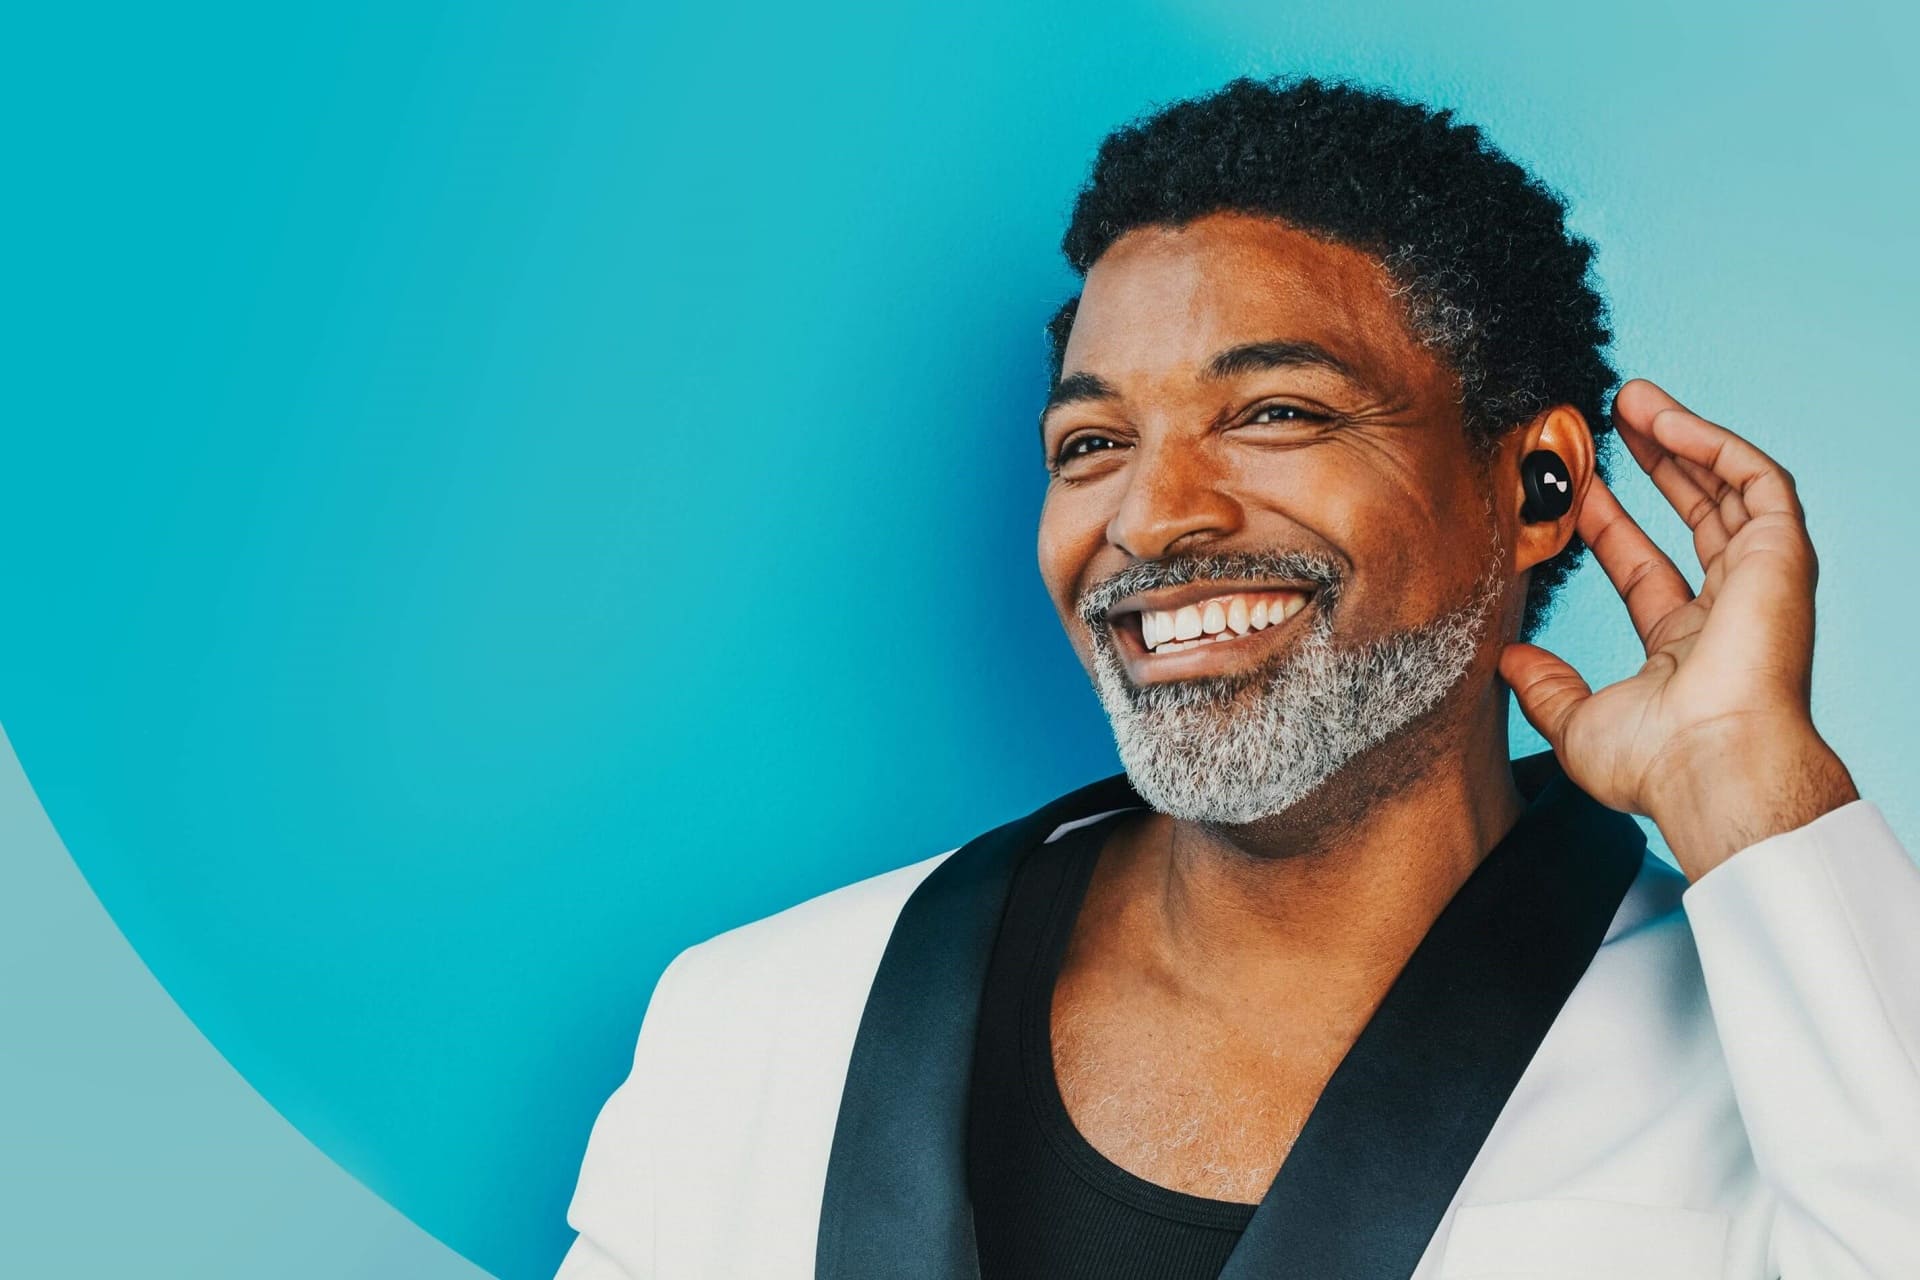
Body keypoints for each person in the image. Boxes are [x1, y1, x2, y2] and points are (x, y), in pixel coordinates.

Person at [553, 75, 1920, 1279]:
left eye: (1274, 412)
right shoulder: (758, 1025)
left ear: (1534, 484)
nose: (1154, 518)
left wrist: (1752, 789)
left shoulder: (1781, 1067)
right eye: (1092, 445)